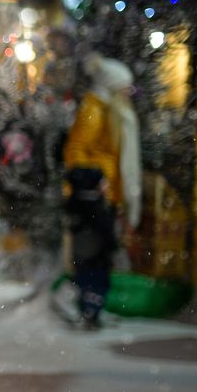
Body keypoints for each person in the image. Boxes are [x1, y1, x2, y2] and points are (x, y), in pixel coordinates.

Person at [62, 55, 141, 324]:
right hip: (93, 198)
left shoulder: (109, 111)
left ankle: (93, 305)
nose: (128, 93)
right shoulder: (95, 111)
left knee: (100, 253)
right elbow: (76, 151)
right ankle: (89, 305)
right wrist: (94, 180)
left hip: (103, 197)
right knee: (93, 253)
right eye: (124, 88)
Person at [64, 168, 118, 329]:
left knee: (84, 284)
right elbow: (105, 231)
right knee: (97, 285)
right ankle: (91, 314)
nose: (106, 186)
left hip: (82, 256)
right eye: (103, 182)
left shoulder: (75, 203)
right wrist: (112, 247)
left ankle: (86, 312)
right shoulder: (96, 205)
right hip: (98, 257)